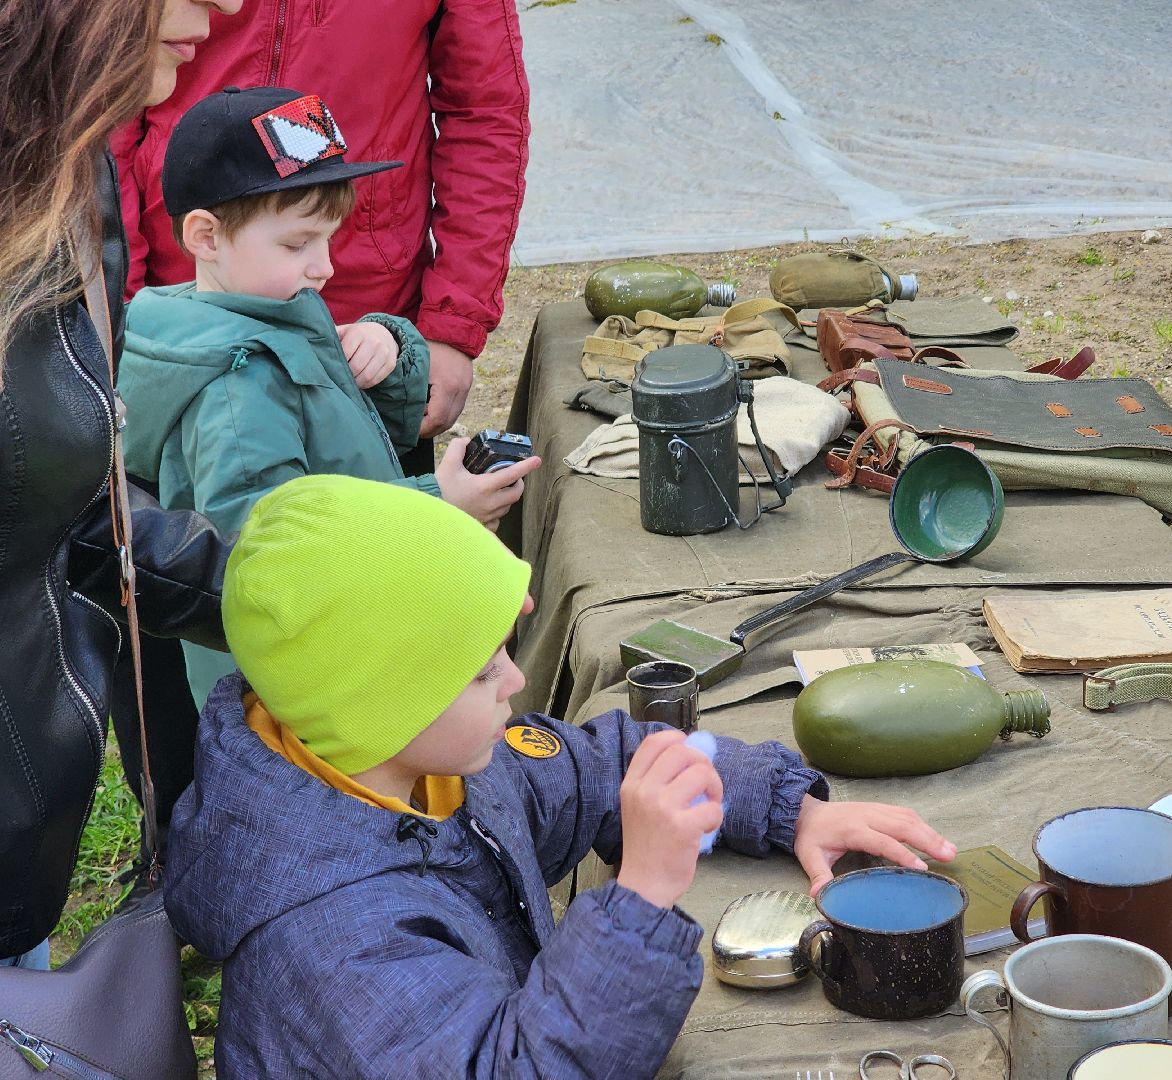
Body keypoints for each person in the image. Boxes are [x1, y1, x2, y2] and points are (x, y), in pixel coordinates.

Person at [164, 474, 957, 1077]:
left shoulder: (426, 767)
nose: (514, 682)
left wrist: (786, 811)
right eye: (481, 672)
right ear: (379, 704)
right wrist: (641, 897)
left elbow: (604, 767)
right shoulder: (330, 944)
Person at [108, 0, 530, 861]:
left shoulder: (271, 306)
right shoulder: (235, 385)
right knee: (294, 830)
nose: (326, 269)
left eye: (330, 238)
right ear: (204, 236)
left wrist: (398, 347)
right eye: (302, 242)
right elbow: (272, 545)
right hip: (285, 680)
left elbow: (345, 429)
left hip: (327, 633)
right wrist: (433, 502)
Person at [0, 0, 240, 968]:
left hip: (21, 871)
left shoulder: (69, 167)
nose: (222, 6)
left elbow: (65, 513)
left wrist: (281, 583)